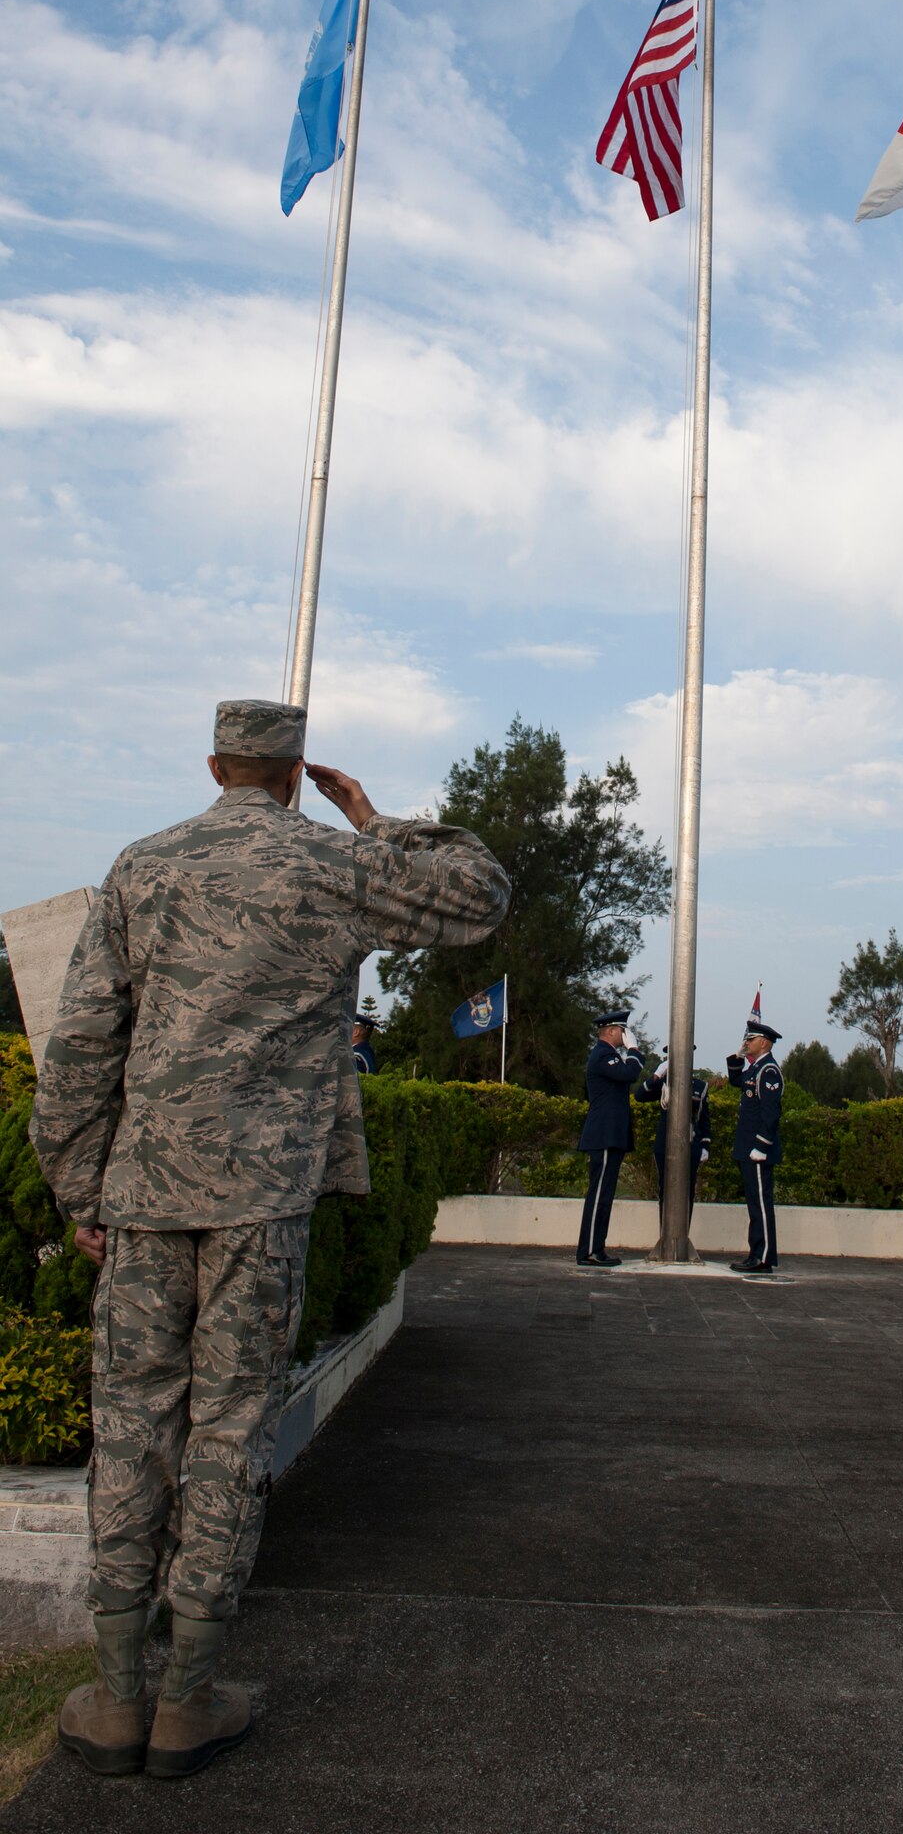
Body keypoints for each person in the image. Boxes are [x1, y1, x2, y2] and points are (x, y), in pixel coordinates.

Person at [30, 699, 509, 1781]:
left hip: (145, 1193)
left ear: (214, 763)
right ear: (296, 773)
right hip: (263, 1199)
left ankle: (114, 1694)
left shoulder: (142, 866)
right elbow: (479, 892)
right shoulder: (330, 864)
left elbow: (80, 1045)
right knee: (230, 1429)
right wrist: (375, 820)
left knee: (133, 1418)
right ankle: (189, 1698)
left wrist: (78, 1187)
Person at [575, 1009, 643, 1267]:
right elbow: (630, 1074)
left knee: (604, 1195)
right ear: (613, 1031)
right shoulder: (602, 1055)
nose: (626, 1035)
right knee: (599, 1195)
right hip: (603, 1134)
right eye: (623, 1031)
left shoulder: (610, 1055)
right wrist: (634, 1049)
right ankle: (590, 1250)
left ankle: (596, 1248)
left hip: (611, 1135)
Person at [726, 1017, 784, 1275]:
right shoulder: (755, 1068)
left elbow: (770, 1114)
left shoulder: (768, 1071)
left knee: (761, 1204)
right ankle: (756, 1253)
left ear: (764, 1042)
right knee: (754, 1204)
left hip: (758, 1150)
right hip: (748, 1149)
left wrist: (762, 1145)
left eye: (750, 1040)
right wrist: (736, 1057)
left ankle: (762, 1257)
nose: (746, 1043)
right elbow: (737, 1081)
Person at [634, 1047, 711, 1222]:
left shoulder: (700, 1086)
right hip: (665, 1143)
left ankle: (684, 1236)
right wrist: (656, 1075)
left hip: (691, 1144)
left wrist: (705, 1146)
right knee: (666, 1190)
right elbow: (640, 1095)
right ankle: (665, 1235)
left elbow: (704, 1120)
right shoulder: (662, 1084)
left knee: (687, 1191)